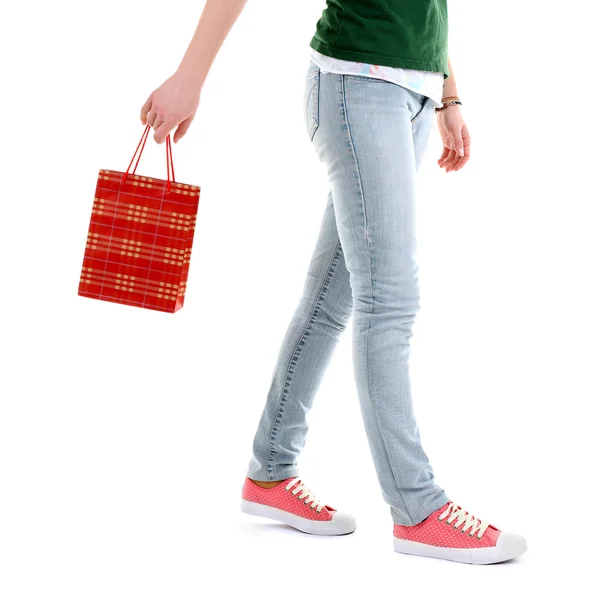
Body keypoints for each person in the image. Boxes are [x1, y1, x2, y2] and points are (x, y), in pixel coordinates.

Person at [140, 0, 527, 564]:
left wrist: (447, 94)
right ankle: (417, 508)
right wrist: (189, 77)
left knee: (332, 297)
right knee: (389, 301)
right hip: (357, 88)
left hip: (410, 97)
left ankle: (269, 472)